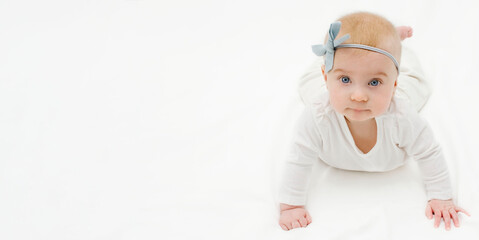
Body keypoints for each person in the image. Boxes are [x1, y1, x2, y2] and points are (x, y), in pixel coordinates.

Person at [277, 11, 471, 231]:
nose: (359, 96)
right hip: (326, 90)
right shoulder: (318, 115)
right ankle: (365, 60)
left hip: (396, 89)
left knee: (416, 81)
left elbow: (428, 152)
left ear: (394, 85)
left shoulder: (402, 116)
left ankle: (394, 45)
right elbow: (299, 157)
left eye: (375, 82)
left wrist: (441, 196)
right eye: (345, 79)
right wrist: (291, 205)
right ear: (326, 78)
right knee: (307, 83)